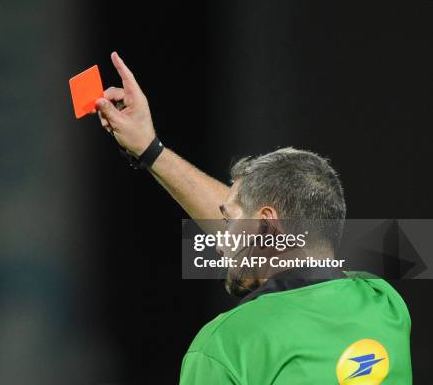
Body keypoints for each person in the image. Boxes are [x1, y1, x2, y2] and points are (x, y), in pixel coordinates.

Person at [95, 52, 412, 384]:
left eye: (228, 223)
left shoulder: (225, 346)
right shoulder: (386, 305)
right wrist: (149, 149)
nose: (217, 243)